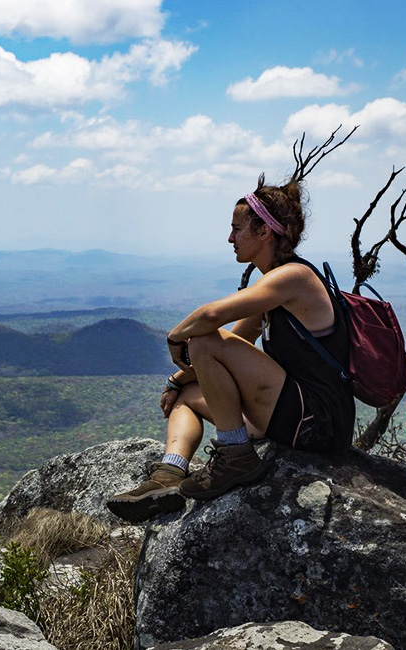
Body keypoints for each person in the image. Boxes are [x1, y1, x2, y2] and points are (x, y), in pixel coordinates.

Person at [107, 175, 355, 523]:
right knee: (188, 393)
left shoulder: (293, 278)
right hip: (293, 414)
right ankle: (169, 476)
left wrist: (175, 336)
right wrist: (178, 379)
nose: (230, 238)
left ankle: (235, 455)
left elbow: (211, 320)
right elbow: (236, 345)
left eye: (237, 228)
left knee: (204, 339)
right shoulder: (274, 285)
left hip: (316, 420)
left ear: (264, 231)